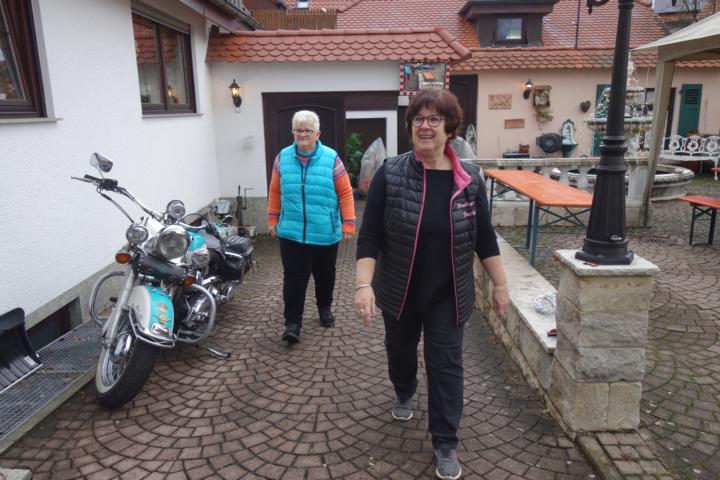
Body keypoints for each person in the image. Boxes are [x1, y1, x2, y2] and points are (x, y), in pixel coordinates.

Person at [355, 89, 509, 480]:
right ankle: (404, 387)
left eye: (434, 119)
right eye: (418, 119)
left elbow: (484, 237)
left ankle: (445, 442)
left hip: (449, 294)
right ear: (410, 126)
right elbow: (369, 235)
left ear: (450, 128)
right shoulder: (390, 174)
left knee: (446, 366)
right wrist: (363, 285)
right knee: (400, 352)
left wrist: (500, 285)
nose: (425, 126)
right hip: (399, 290)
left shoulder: (469, 180)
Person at [267, 110, 356, 344]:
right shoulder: (282, 158)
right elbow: (275, 191)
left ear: (317, 134)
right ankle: (293, 323)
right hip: (292, 233)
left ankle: (324, 308)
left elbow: (345, 192)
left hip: (325, 231)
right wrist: (272, 220)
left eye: (307, 130)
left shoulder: (331, 158)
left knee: (325, 275)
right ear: (293, 132)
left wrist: (348, 222)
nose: (302, 134)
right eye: (298, 130)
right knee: (294, 279)